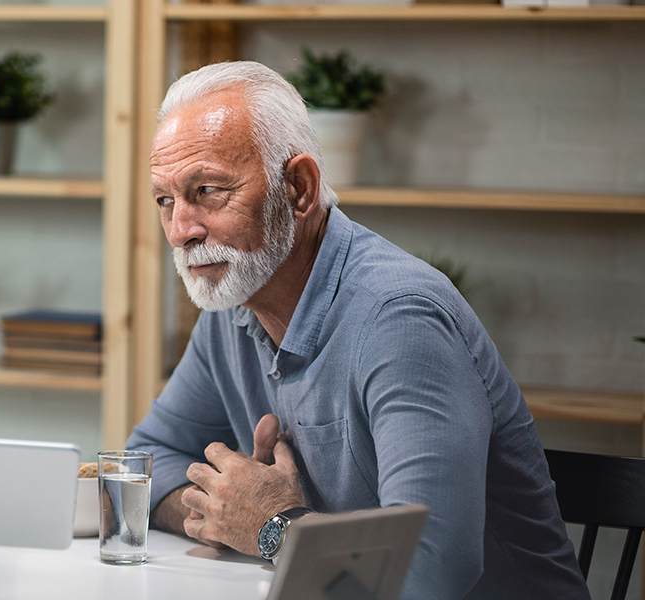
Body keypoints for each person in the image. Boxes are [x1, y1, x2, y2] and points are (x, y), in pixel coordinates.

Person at [126, 61, 589, 599]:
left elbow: (432, 571)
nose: (182, 230)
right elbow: (143, 468)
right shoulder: (233, 306)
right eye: (166, 200)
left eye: (208, 190)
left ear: (298, 188)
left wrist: (275, 526)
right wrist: (225, 511)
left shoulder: (400, 319)